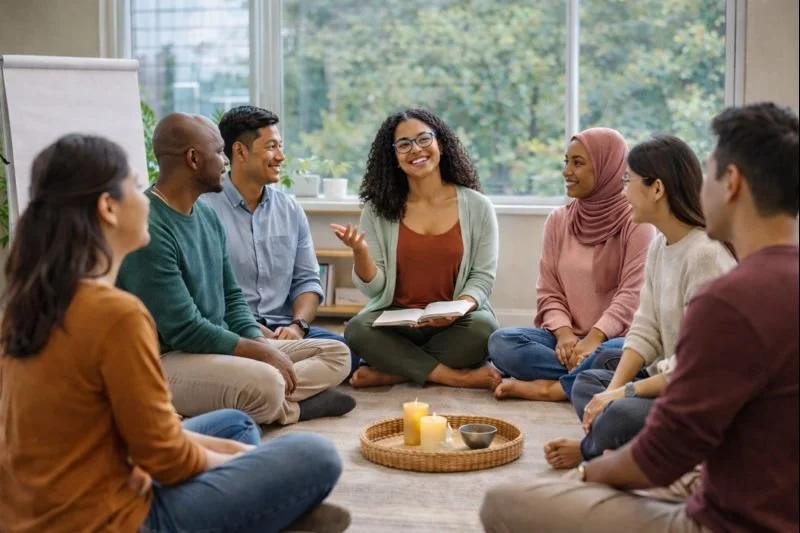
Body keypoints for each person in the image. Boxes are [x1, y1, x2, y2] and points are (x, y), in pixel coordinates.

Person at [0, 134, 349, 533]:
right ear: (108, 207)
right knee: (314, 454)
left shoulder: (27, 303)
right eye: (134, 184)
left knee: (234, 423)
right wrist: (247, 467)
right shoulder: (115, 314)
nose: (145, 196)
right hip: (110, 520)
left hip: (38, 508)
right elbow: (167, 459)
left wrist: (242, 465)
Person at [480, 102, 799, 533]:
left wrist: (590, 472)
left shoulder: (728, 296)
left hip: (726, 518)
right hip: (734, 480)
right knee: (600, 388)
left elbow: (662, 454)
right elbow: (649, 331)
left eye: (708, 174)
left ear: (733, 183)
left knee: (503, 502)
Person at [117, 113, 355, 426]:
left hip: (215, 345)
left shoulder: (205, 213)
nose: (225, 161)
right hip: (166, 359)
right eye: (218, 152)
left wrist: (257, 341)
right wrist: (262, 354)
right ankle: (293, 408)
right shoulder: (148, 225)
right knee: (267, 381)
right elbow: (185, 329)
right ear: (193, 159)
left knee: (338, 354)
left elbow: (231, 296)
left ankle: (262, 401)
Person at [543, 135, 737, 470]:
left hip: (700, 395)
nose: (622, 192)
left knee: (619, 412)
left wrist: (621, 396)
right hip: (669, 380)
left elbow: (694, 367)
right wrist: (612, 390)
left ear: (657, 189)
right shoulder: (661, 246)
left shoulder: (705, 255)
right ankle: (612, 447)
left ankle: (596, 451)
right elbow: (645, 328)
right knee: (589, 382)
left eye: (627, 182)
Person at [336, 108, 501, 389]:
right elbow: (374, 289)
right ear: (393, 157)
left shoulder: (477, 206)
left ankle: (394, 372)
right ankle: (453, 376)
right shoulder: (378, 211)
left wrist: (461, 305)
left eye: (424, 139)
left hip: (455, 323)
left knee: (485, 329)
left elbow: (482, 277)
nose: (415, 150)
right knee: (356, 330)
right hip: (398, 324)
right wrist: (360, 252)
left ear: (441, 143)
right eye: (404, 144)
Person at [488, 127, 654, 402]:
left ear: (607, 168)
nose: (567, 172)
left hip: (614, 339)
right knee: (501, 343)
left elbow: (631, 295)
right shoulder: (558, 220)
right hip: (565, 342)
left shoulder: (636, 221)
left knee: (617, 354)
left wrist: (594, 339)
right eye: (566, 162)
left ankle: (552, 388)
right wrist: (565, 335)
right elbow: (549, 291)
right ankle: (587, 379)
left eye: (577, 163)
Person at [203, 105, 360, 377]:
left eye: (280, 146)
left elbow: (307, 280)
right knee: (240, 360)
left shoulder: (290, 209)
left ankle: (272, 382)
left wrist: (297, 327)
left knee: (349, 351)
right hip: (234, 329)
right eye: (271, 147)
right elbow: (210, 293)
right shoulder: (204, 209)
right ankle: (288, 387)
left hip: (286, 331)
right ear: (239, 151)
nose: (281, 156)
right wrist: (258, 334)